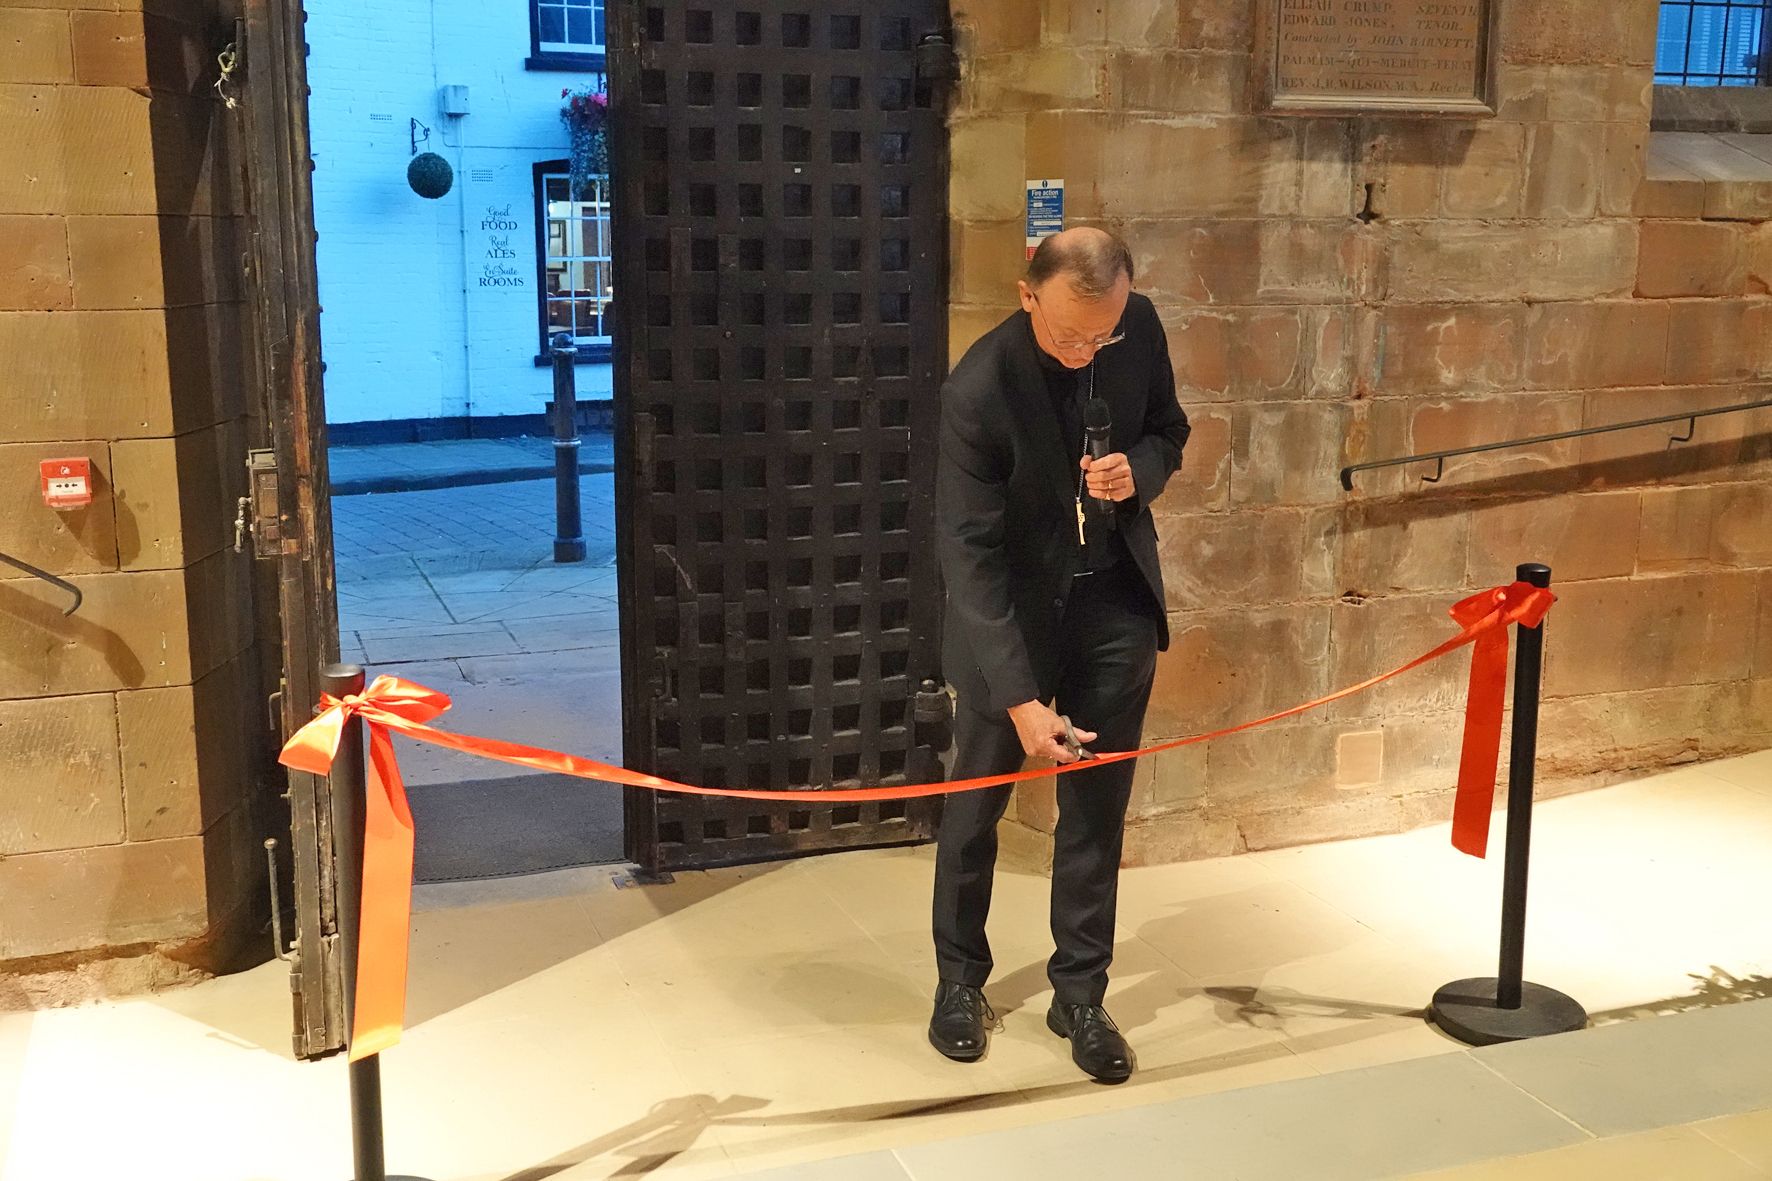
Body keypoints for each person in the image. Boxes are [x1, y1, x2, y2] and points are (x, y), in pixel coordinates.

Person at [929, 227, 1190, 1083]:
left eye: (1102, 335)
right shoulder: (979, 388)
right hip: (1011, 623)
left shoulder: (1136, 325)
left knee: (1095, 810)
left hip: (1110, 599)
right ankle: (960, 981)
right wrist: (1019, 697)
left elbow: (1169, 428)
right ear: (1026, 293)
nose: (1088, 350)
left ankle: (1079, 991)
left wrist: (1139, 471)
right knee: (975, 813)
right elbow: (969, 558)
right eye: (1071, 333)